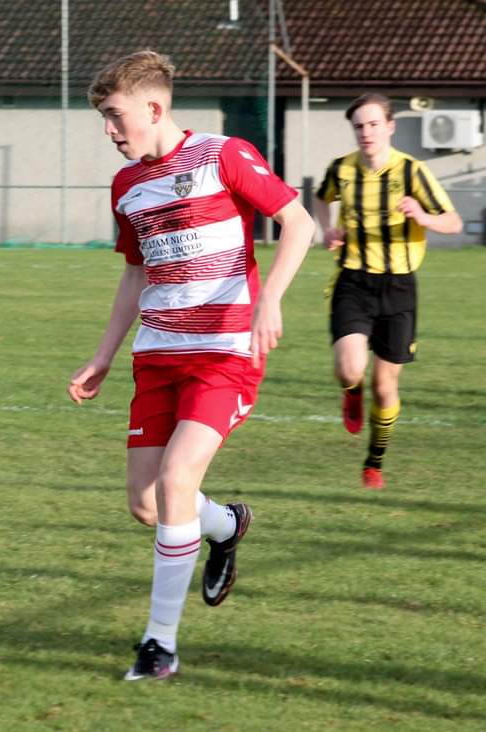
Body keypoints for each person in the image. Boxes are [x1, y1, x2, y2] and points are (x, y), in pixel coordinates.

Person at [68, 51, 314, 680]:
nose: (108, 130)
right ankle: (226, 524)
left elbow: (298, 223)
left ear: (154, 108)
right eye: (102, 117)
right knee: (148, 504)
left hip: (224, 356)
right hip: (156, 358)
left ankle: (159, 646)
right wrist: (102, 355)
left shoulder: (223, 155)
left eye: (115, 115)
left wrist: (270, 302)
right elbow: (134, 273)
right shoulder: (127, 187)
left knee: (177, 480)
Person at [316, 93, 462, 490]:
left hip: (398, 288)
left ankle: (374, 462)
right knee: (349, 367)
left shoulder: (413, 172)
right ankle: (351, 389)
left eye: (374, 124)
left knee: (385, 389)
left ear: (390, 126)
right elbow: (319, 197)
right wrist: (326, 227)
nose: (366, 133)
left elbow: (454, 222)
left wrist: (423, 216)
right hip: (353, 280)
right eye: (360, 126)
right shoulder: (341, 170)